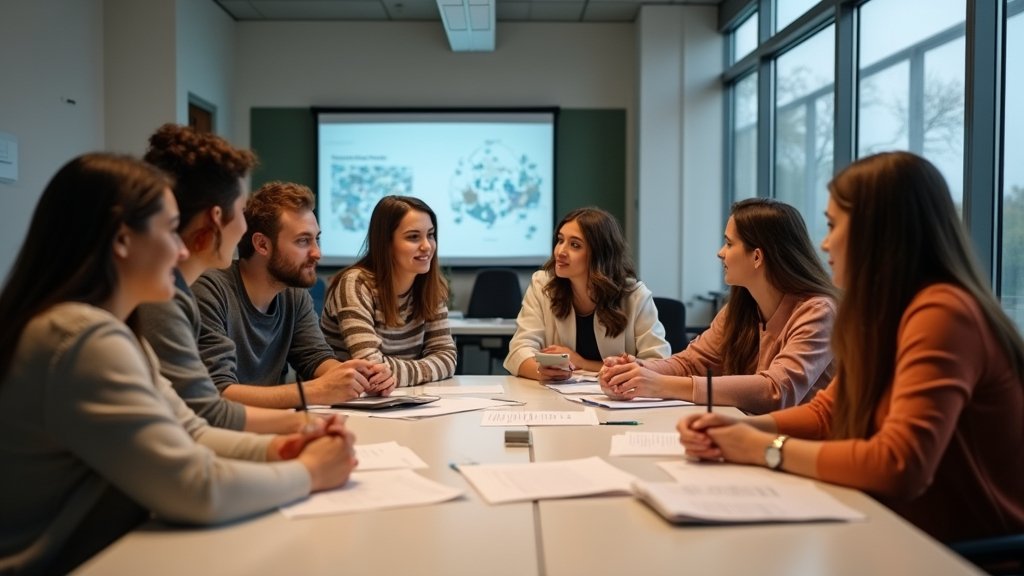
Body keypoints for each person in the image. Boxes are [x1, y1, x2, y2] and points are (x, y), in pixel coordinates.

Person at [0, 154, 357, 574]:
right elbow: (195, 489)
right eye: (171, 230)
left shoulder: (111, 328)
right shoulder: (83, 338)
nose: (184, 247)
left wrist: (282, 448)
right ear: (122, 240)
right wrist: (309, 471)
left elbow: (191, 431)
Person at [679, 151, 1024, 543]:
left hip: (961, 554)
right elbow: (830, 412)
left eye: (832, 225)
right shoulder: (886, 314)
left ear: (877, 232)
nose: (824, 244)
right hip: (899, 532)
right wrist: (741, 428)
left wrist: (763, 448)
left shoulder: (943, 312)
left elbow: (898, 465)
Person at [135, 124, 311, 433]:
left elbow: (195, 415)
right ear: (216, 219)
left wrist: (302, 424)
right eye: (242, 211)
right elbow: (208, 414)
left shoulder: (175, 292)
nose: (244, 226)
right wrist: (303, 426)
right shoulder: (164, 299)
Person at [600, 198, 837, 414]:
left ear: (757, 257)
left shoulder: (819, 312)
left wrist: (659, 384)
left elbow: (776, 390)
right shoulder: (740, 307)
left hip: (803, 448)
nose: (720, 253)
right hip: (754, 434)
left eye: (729, 244)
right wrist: (638, 369)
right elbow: (691, 362)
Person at [192, 181, 393, 409]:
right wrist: (316, 391)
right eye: (303, 241)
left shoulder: (293, 293)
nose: (317, 253)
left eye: (316, 239)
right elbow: (218, 392)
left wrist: (358, 376)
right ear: (262, 245)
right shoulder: (209, 290)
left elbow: (314, 357)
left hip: (269, 425)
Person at [503, 207, 671, 381]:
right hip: (556, 399)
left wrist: (582, 363)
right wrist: (541, 371)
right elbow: (519, 350)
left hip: (618, 401)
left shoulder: (635, 296)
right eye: (560, 240)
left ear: (600, 254)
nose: (560, 252)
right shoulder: (543, 285)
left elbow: (659, 365)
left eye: (575, 245)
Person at [321, 195, 456, 389]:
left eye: (431, 235)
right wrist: (426, 370)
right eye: (413, 237)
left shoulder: (430, 286)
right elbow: (370, 367)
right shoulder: (355, 284)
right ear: (385, 243)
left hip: (401, 400)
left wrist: (394, 375)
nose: (427, 246)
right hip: (350, 405)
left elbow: (447, 356)